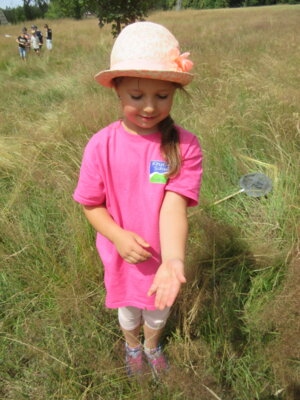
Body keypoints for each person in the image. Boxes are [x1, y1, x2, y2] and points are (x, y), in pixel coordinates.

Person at [73, 21, 203, 379]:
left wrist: (173, 259)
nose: (149, 107)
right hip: (121, 255)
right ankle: (132, 346)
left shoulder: (185, 145)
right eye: (136, 96)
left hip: (163, 258)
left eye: (162, 96)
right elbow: (91, 204)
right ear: (117, 91)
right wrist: (117, 236)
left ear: (175, 92)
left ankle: (151, 345)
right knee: (129, 311)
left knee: (158, 311)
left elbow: (174, 204)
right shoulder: (101, 145)